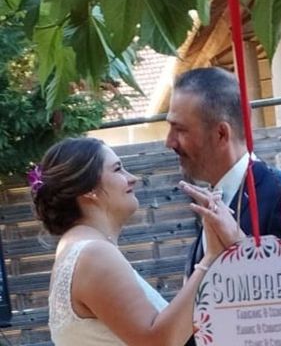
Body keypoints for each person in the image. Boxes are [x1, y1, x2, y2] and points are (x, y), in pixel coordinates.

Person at [32, 137, 243, 346]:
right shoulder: (93, 254)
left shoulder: (77, 248)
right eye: (117, 169)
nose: (132, 178)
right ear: (89, 190)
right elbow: (158, 341)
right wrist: (212, 257)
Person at [165, 67, 281, 276]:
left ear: (221, 134)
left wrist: (238, 243)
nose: (169, 142)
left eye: (180, 129)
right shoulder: (211, 199)